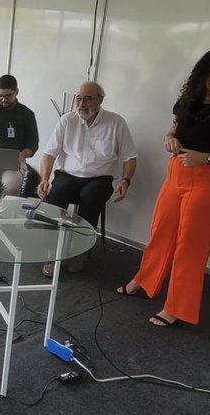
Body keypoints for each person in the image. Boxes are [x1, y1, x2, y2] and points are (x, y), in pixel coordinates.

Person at [118, 46, 210, 327]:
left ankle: (178, 307)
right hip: (176, 175)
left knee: (190, 247)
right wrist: (169, 138)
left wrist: (205, 158)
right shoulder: (188, 101)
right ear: (204, 71)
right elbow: (174, 130)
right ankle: (145, 280)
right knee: (160, 233)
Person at [37, 81, 138, 277]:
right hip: (68, 175)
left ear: (100, 100)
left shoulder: (116, 122)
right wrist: (44, 178)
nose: (82, 104)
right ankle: (53, 252)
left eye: (88, 99)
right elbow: (49, 153)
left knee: (91, 197)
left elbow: (130, 157)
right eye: (79, 99)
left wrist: (126, 180)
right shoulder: (67, 120)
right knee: (55, 195)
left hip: (99, 178)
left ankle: (79, 251)